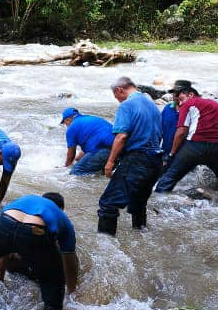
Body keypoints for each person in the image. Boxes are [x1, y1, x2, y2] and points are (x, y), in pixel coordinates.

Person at [0, 192, 79, 310]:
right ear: (61, 209)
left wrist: (1, 279)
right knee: (53, 284)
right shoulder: (62, 217)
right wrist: (71, 292)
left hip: (4, 221)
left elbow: (4, 250)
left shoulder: (27, 199)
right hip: (36, 231)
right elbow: (70, 261)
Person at [155, 82, 218, 210]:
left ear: (190, 94)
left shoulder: (189, 103)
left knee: (169, 178)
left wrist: (171, 154)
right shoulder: (216, 105)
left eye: (180, 96)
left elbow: (181, 131)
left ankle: (157, 205)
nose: (178, 101)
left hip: (194, 146)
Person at [98, 76, 164, 236]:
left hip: (137, 159)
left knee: (108, 204)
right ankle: (141, 235)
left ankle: (105, 245)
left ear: (120, 90)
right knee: (138, 203)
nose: (118, 101)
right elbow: (160, 134)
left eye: (117, 97)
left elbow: (121, 136)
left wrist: (110, 162)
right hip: (155, 160)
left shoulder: (127, 105)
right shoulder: (151, 104)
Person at [60, 108, 115, 175]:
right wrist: (78, 159)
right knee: (101, 172)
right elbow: (97, 139)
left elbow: (71, 155)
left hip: (105, 150)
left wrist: (65, 168)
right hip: (119, 147)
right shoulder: (90, 118)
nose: (66, 125)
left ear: (67, 119)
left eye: (65, 123)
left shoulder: (71, 128)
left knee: (76, 171)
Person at [160, 81, 190, 156]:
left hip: (183, 155)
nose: (176, 95)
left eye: (179, 93)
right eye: (175, 93)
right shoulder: (167, 108)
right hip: (165, 151)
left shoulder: (191, 110)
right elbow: (159, 129)